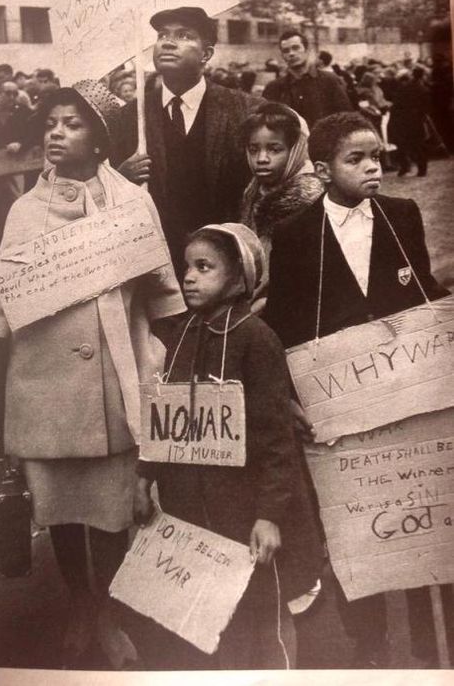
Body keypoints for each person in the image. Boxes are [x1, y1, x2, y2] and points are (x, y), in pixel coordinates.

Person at [0, 79, 185, 670]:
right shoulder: (24, 210)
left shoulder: (131, 203)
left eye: (72, 124)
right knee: (61, 508)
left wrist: (159, 366)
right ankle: (79, 603)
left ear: (100, 140)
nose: (56, 132)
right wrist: (0, 405)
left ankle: (110, 613)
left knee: (112, 509)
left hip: (116, 384)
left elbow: (165, 296)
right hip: (44, 388)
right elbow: (3, 311)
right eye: (51, 123)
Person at [264, 111, 449, 667]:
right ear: (321, 170)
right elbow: (287, 320)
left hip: (405, 393)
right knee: (351, 522)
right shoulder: (296, 235)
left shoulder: (402, 214)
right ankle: (368, 644)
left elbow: (422, 293)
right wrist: (289, 394)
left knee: (419, 510)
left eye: (377, 156)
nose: (373, 167)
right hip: (337, 405)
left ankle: (427, 642)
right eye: (356, 159)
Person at [134, 222, 323, 670]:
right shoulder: (180, 334)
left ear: (239, 278)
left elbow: (277, 439)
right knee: (207, 618)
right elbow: (165, 417)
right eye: (187, 267)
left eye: (205, 267)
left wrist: (269, 515)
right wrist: (144, 479)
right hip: (192, 510)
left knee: (262, 617)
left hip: (245, 511)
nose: (189, 277)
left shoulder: (257, 340)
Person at [111, 6, 262, 279]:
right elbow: (105, 191)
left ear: (206, 54)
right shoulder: (128, 118)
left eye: (183, 35)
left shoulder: (245, 110)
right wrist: (121, 177)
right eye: (161, 35)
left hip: (227, 261)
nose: (167, 42)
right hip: (157, 266)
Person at [240, 102, 323, 310]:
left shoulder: (309, 198)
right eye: (253, 149)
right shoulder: (253, 189)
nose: (262, 159)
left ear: (297, 149)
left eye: (274, 149)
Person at [0, 81, 33, 252]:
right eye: (7, 93)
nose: (11, 97)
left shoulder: (23, 112)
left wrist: (21, 144)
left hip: (16, 164)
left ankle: (19, 244)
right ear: (0, 94)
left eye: (14, 93)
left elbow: (32, 134)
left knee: (16, 202)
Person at [262, 30, 351, 128]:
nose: (291, 53)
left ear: (307, 50)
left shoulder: (330, 81)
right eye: (286, 51)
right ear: (282, 56)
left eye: (296, 48)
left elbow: (346, 118)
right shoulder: (274, 88)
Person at [388, 67, 431, 177]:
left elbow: (396, 105)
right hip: (415, 120)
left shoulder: (404, 88)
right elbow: (425, 106)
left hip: (401, 120)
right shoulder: (422, 89)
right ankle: (422, 168)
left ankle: (405, 167)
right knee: (417, 144)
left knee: (402, 144)